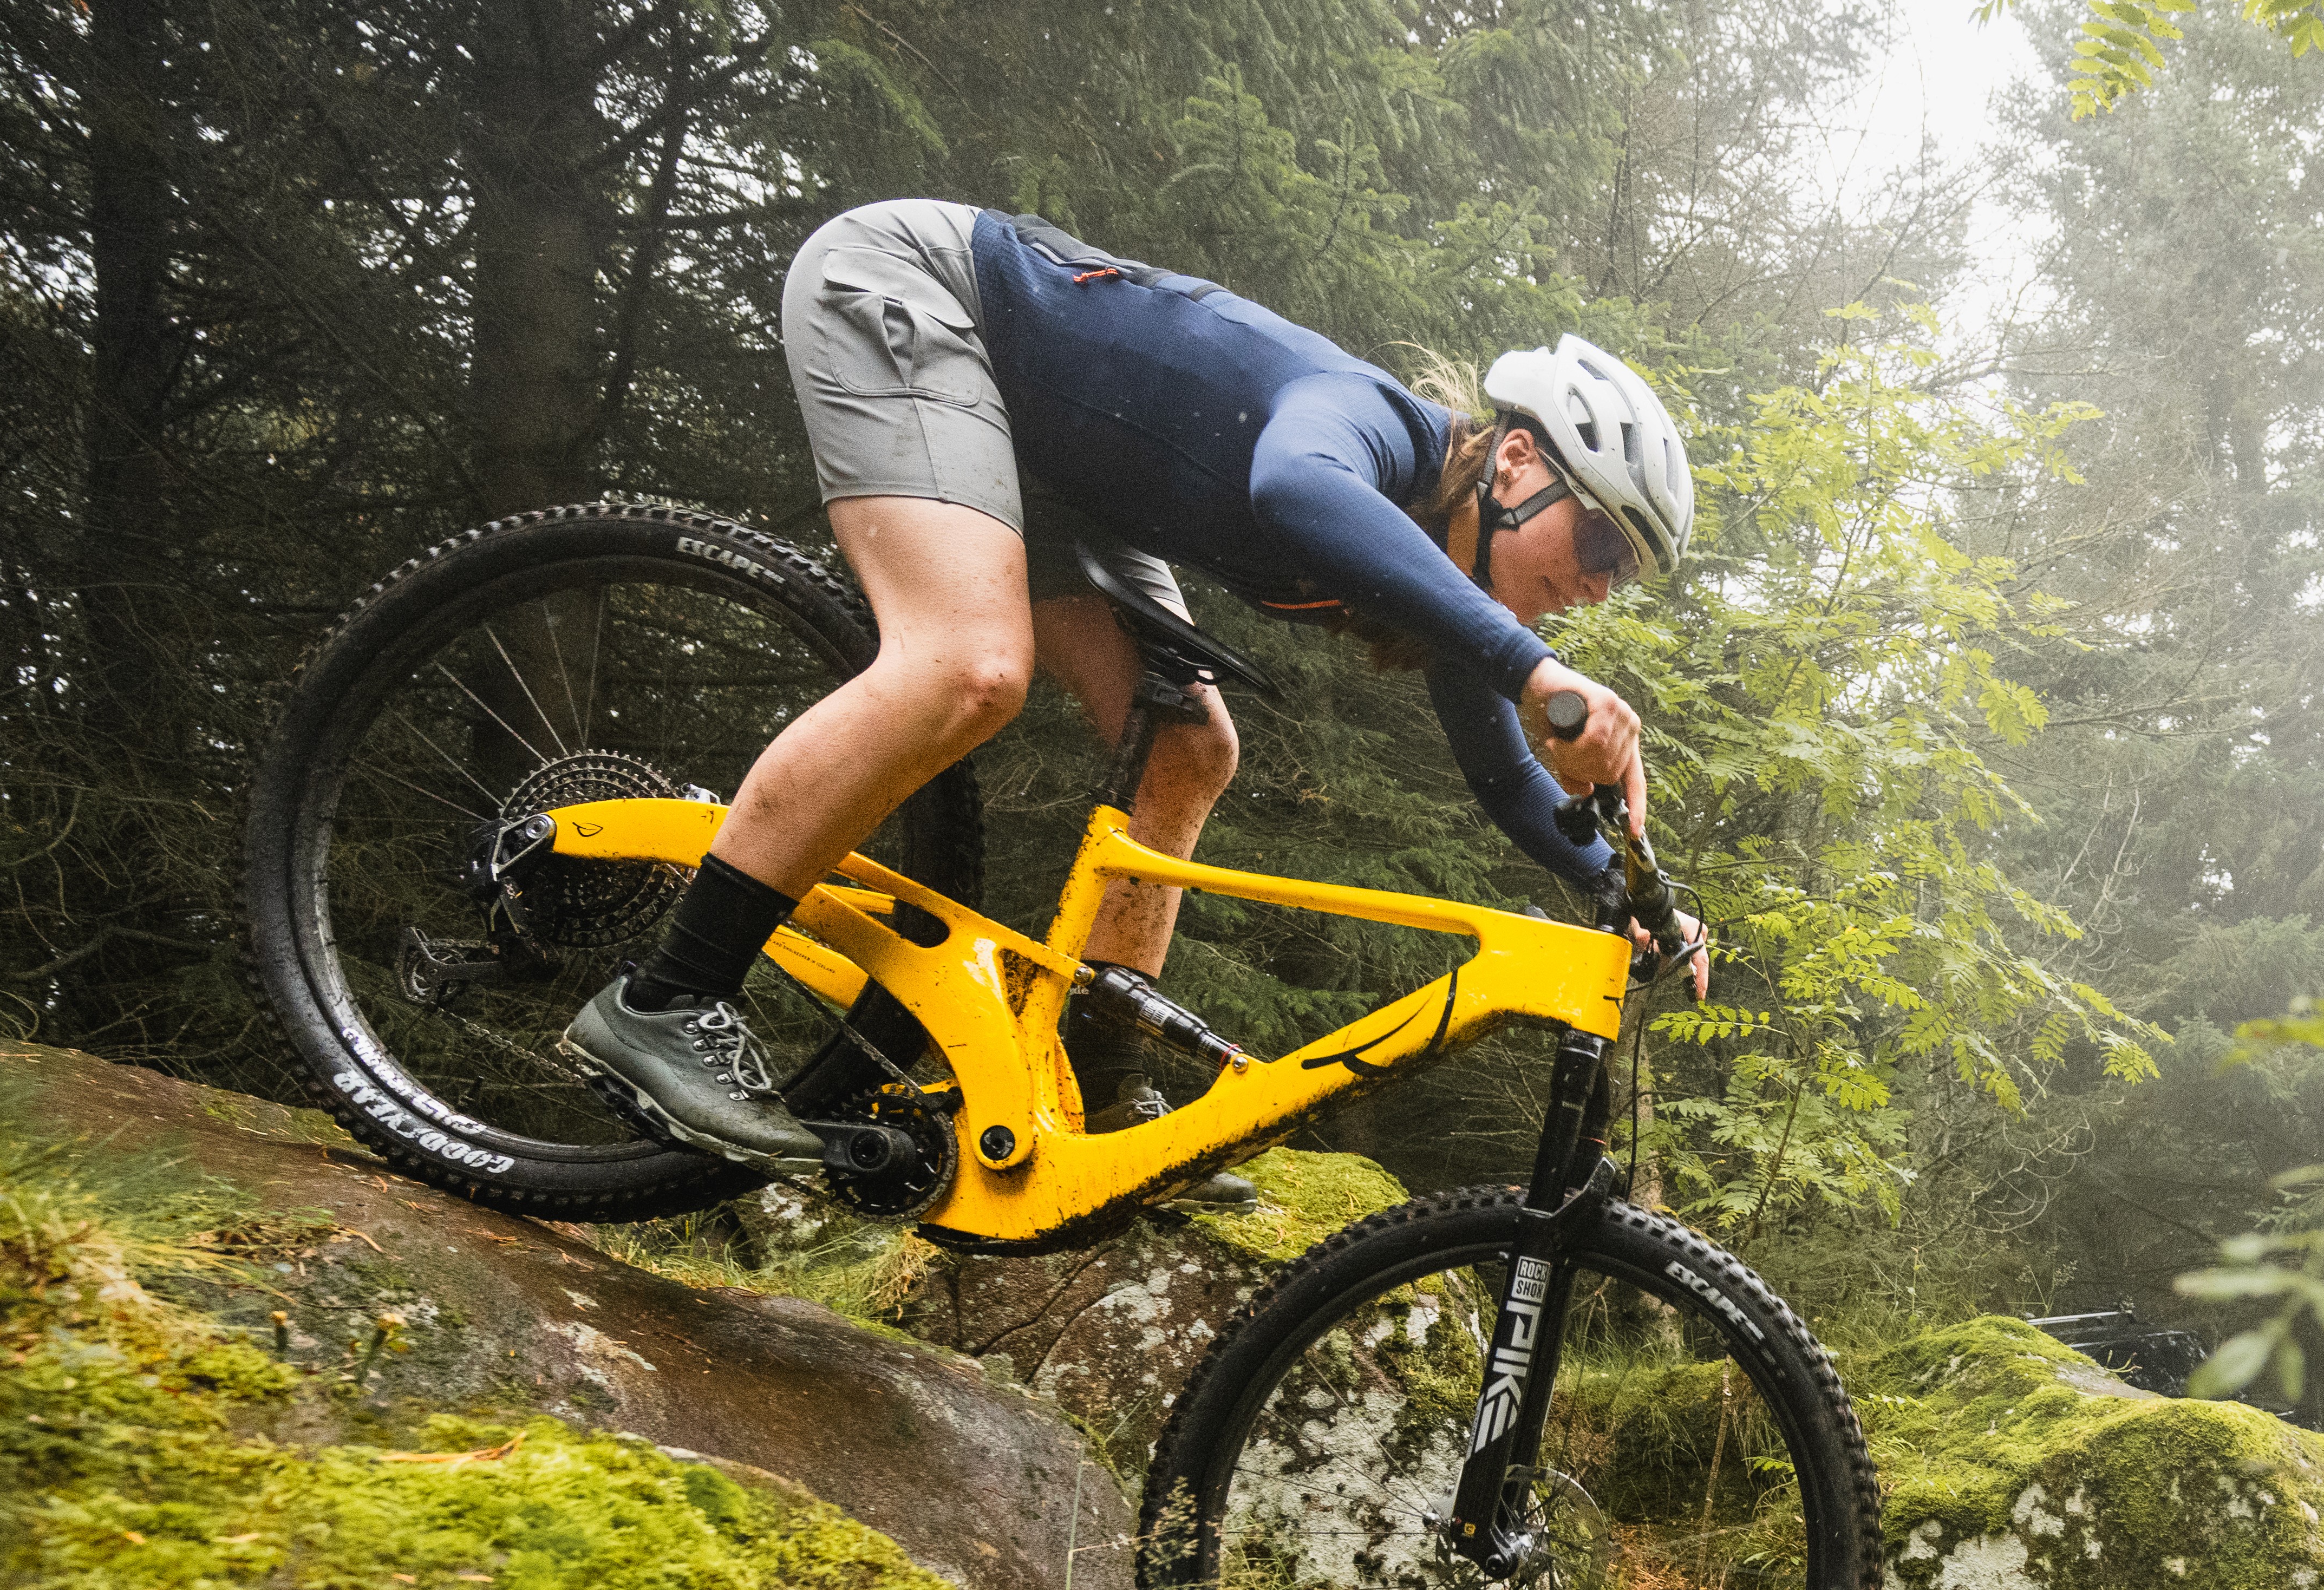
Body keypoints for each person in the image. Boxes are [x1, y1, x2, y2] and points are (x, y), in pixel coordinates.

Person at [560, 198, 1704, 1198]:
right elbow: (1292, 483)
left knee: (1188, 748)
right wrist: (1533, 666)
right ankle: (668, 996)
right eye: (1597, 531)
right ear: (1511, 463)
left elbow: (1505, 773)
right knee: (968, 666)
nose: (1597, 583)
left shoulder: (1442, 569)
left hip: (1053, 463)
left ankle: (1100, 1095)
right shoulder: (1368, 424)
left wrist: (1634, 889)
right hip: (919, 292)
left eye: (1622, 569)